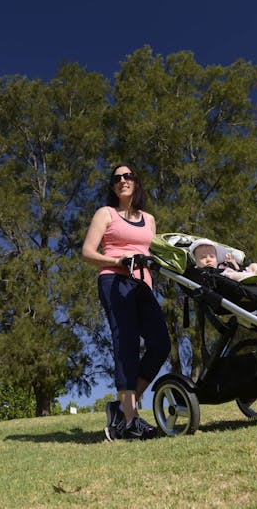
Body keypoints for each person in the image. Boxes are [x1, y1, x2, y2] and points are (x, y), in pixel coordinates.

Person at [82, 164, 171, 441]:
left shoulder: (149, 219)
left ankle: (121, 409)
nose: (123, 180)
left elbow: (155, 253)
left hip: (142, 286)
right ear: (113, 186)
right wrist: (117, 261)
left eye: (128, 176)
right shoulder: (105, 214)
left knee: (161, 344)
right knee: (127, 342)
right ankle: (131, 421)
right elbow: (87, 252)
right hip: (114, 280)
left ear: (136, 182)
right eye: (117, 178)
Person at [190, 238, 257, 285]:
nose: (208, 259)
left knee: (253, 265)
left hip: (239, 273)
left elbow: (237, 269)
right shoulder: (199, 271)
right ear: (196, 262)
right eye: (203, 258)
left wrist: (233, 263)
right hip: (226, 278)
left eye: (212, 256)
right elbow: (233, 274)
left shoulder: (221, 265)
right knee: (231, 275)